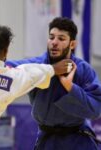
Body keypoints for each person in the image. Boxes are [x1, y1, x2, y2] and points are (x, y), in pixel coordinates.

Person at [6, 17, 101, 150]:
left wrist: (70, 87)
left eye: (61, 39)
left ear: (72, 44)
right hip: (47, 141)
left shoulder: (83, 70)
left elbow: (96, 110)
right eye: (51, 37)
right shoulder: (38, 66)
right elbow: (8, 67)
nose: (54, 43)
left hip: (78, 141)